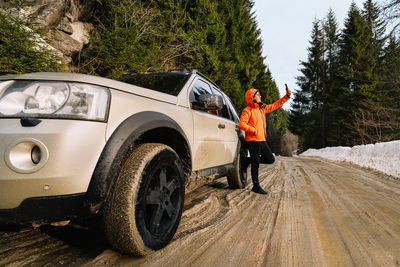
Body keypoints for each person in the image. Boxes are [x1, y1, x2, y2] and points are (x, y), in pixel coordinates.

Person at [238, 86, 291, 194]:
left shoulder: (262, 108)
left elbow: (275, 105)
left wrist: (287, 96)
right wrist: (252, 130)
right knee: (256, 163)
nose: (260, 96)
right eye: (258, 95)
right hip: (252, 140)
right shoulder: (247, 110)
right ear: (252, 97)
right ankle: (255, 186)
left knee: (270, 159)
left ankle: (246, 160)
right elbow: (241, 124)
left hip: (262, 140)